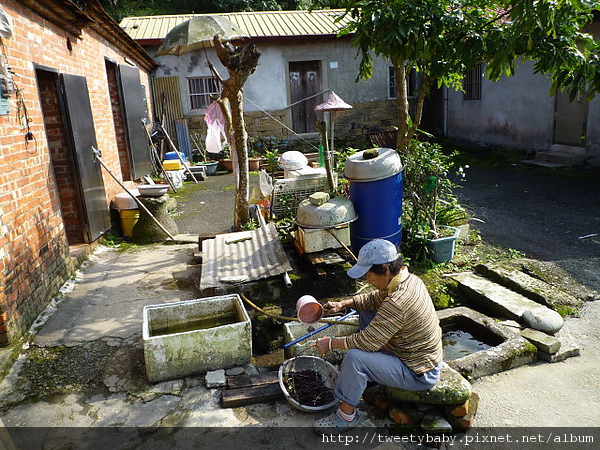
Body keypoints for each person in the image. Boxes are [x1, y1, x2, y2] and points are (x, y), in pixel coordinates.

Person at [312, 238, 443, 434]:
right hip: (413, 353)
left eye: (369, 276)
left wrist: (330, 344)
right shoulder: (407, 280)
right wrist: (344, 304)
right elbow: (373, 299)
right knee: (365, 308)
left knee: (355, 358)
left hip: (418, 371)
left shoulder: (399, 301)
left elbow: (366, 341)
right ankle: (367, 378)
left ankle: (346, 416)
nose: (367, 281)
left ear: (385, 269)